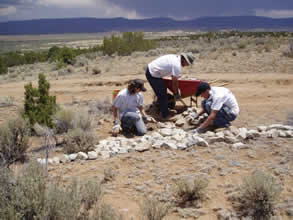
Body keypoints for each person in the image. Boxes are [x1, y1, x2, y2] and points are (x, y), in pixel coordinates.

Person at [145, 52, 195, 120]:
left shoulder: (175, 58)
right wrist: (176, 94)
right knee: (162, 94)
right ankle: (164, 115)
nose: (187, 65)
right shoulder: (176, 65)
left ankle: (162, 109)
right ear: (184, 59)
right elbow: (174, 82)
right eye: (188, 63)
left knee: (162, 91)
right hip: (152, 73)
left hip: (152, 69)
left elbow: (171, 72)